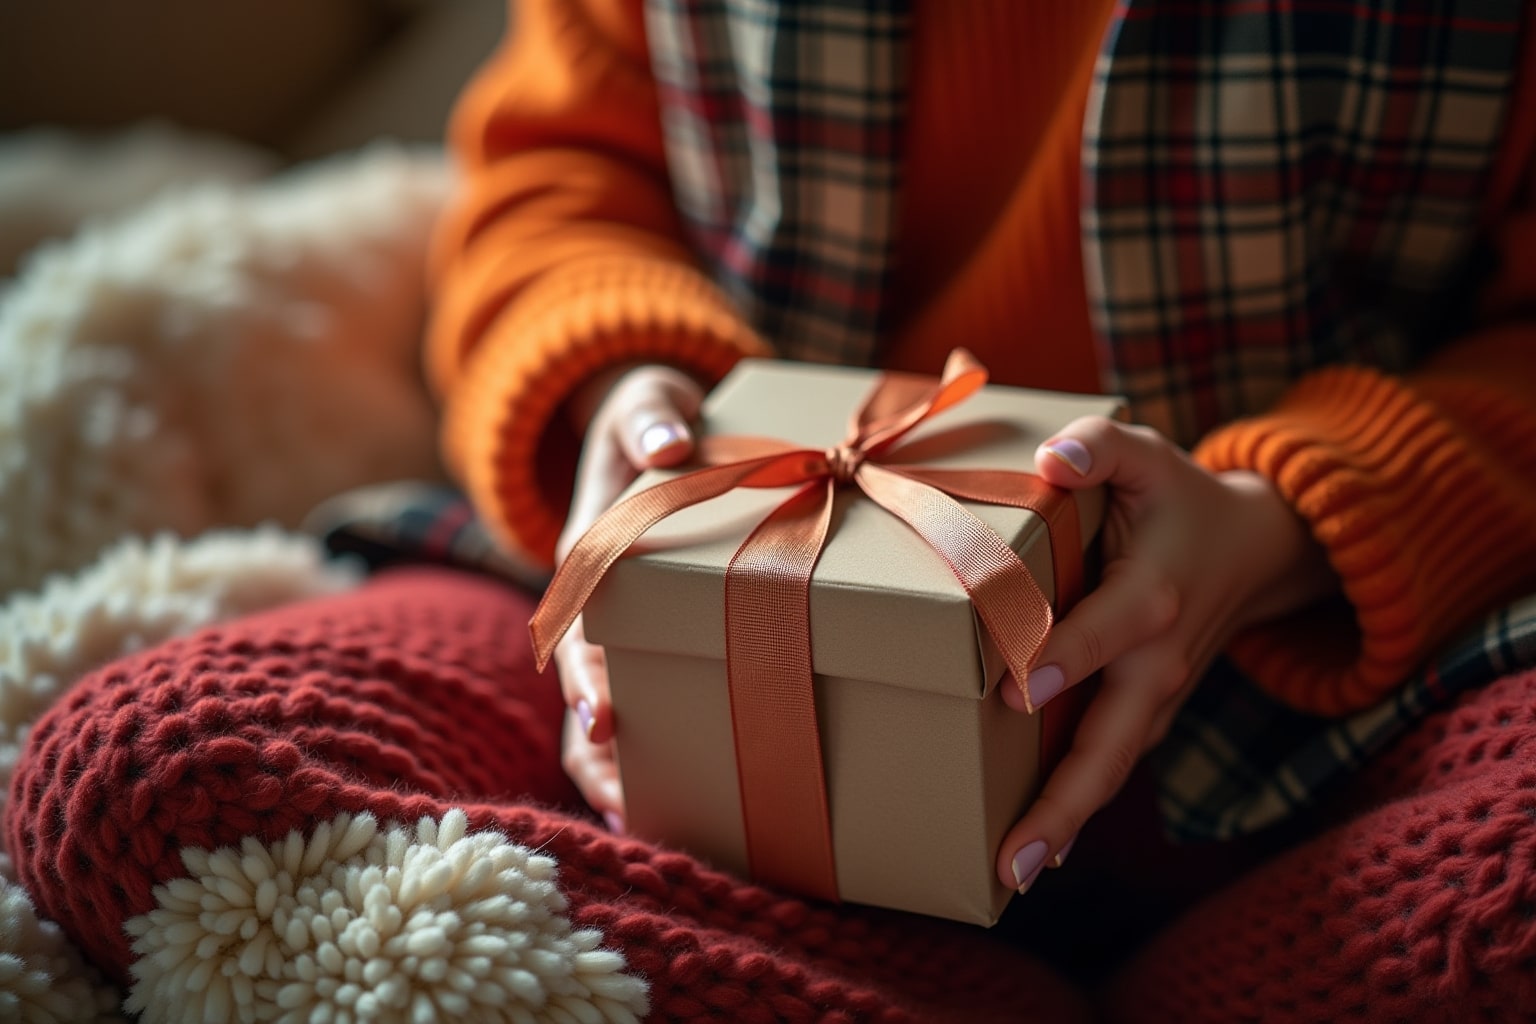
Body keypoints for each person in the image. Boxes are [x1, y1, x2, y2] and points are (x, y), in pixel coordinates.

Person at [11, 1, 1536, 1020]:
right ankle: (930, 973)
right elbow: (549, 182)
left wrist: (1288, 521)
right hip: (654, 648)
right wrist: (621, 384)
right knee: (164, 771)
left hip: (1328, 697)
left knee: (1504, 891)